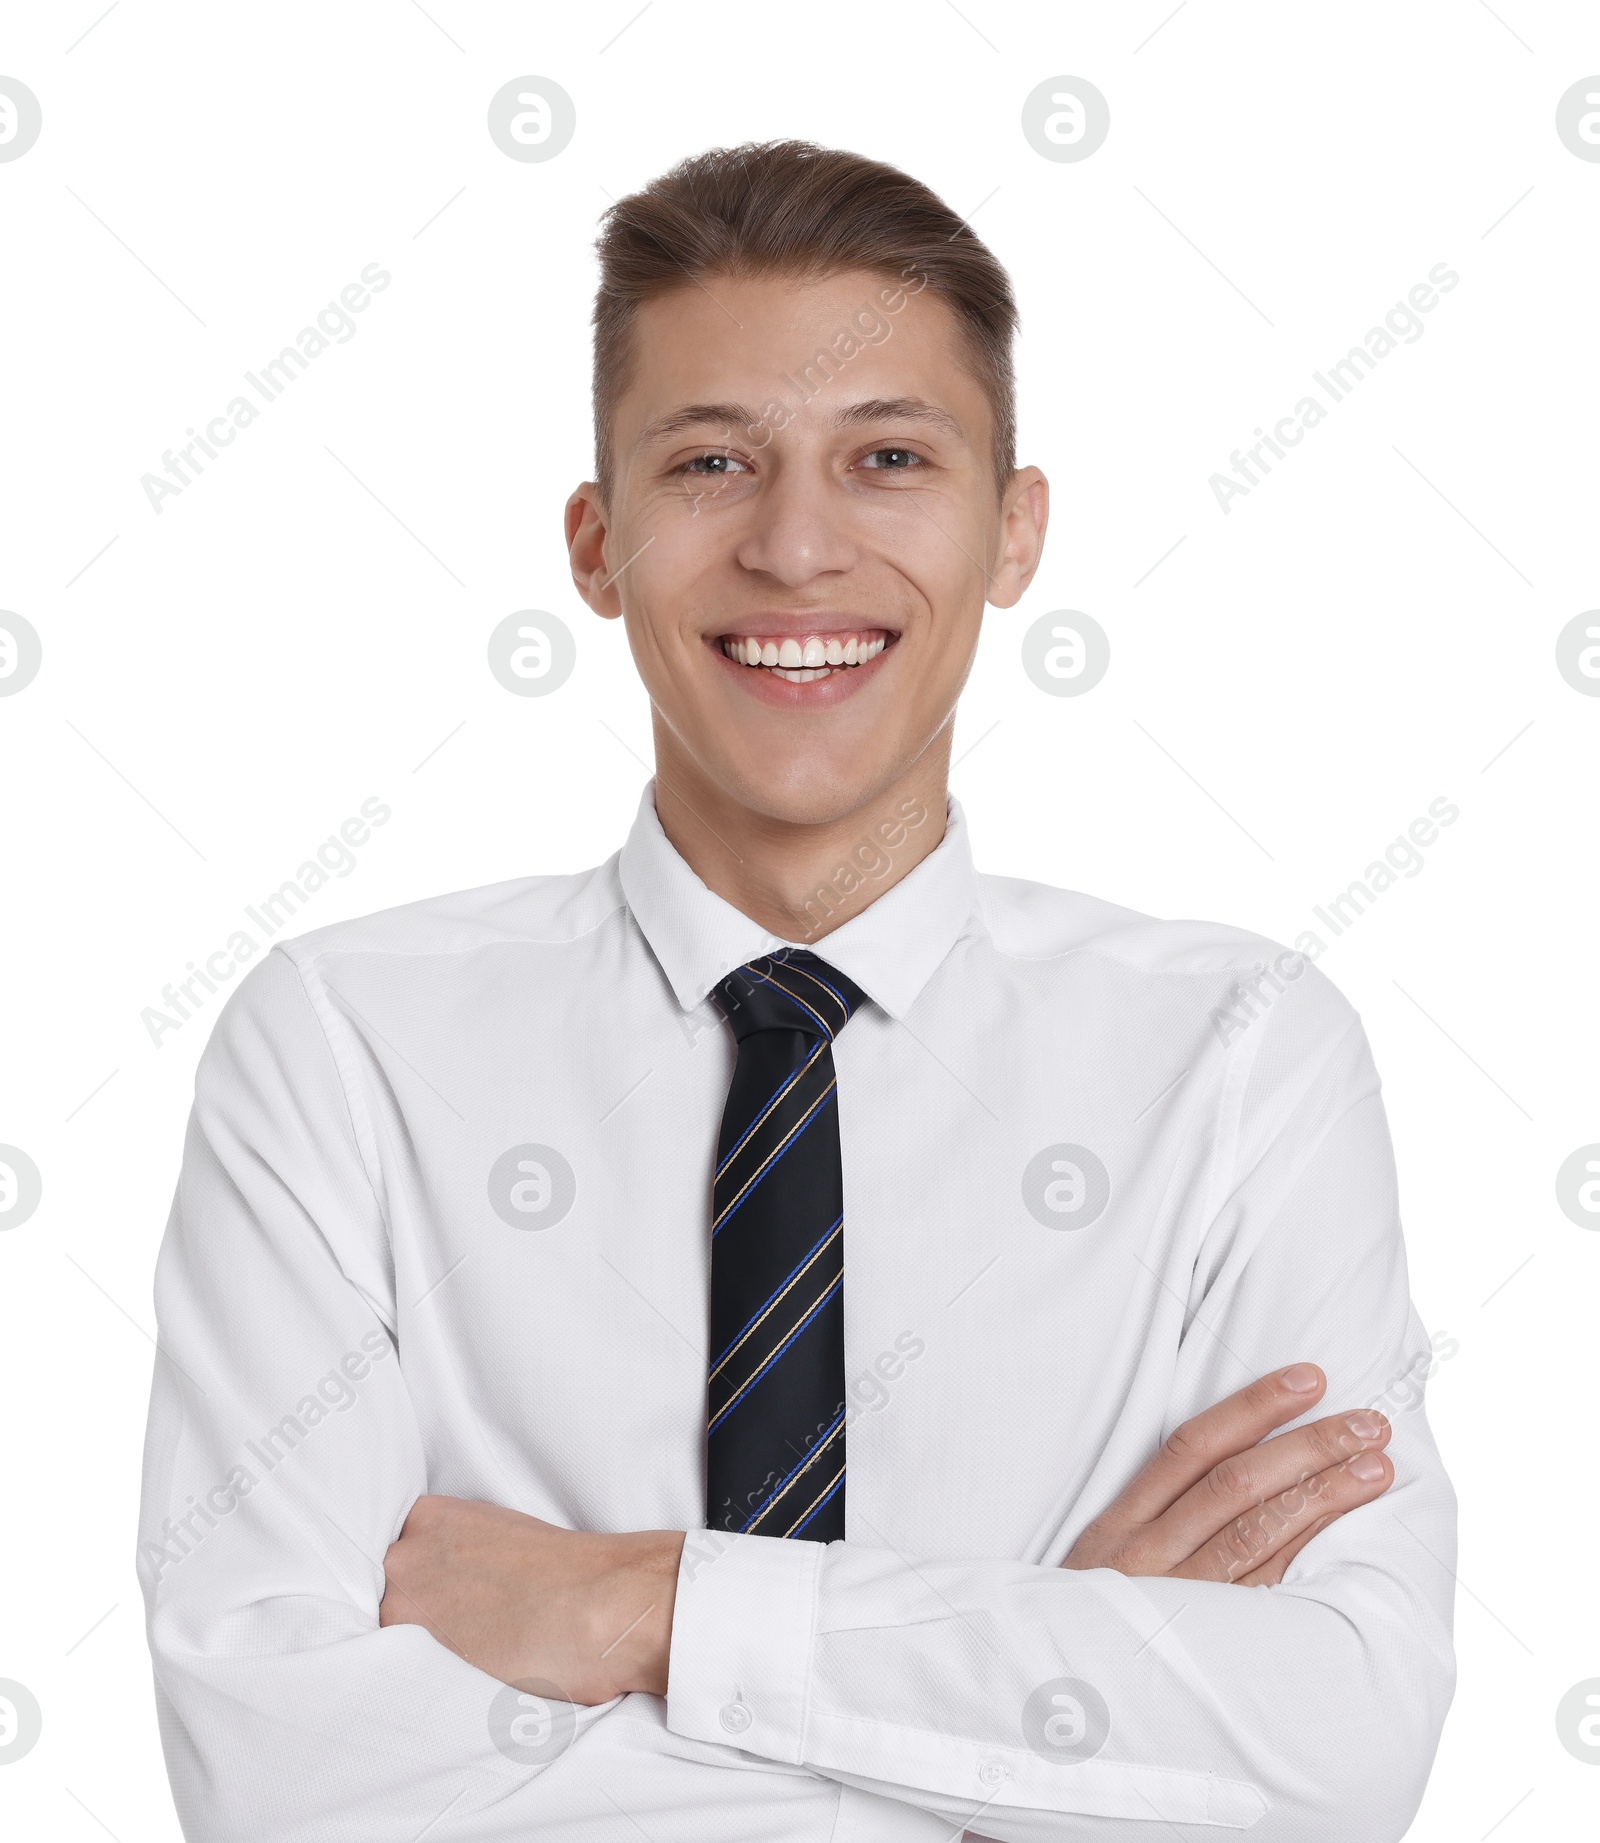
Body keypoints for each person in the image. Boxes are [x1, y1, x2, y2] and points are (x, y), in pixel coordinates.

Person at [138, 141, 1455, 1843]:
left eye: (889, 458)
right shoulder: (341, 1046)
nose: (797, 548)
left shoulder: (1241, 1056)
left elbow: (1338, 1750)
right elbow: (283, 1778)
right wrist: (1037, 1690)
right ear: (598, 543)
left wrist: (648, 1610)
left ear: (1015, 528)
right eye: (710, 463)